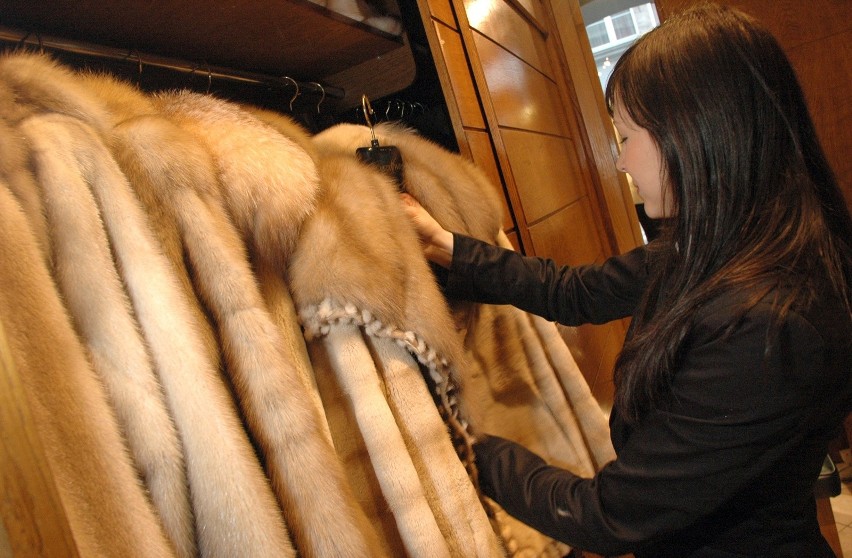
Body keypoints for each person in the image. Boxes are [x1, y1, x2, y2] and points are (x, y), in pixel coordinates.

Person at [400, 3, 852, 556]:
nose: (621, 161)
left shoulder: (768, 323)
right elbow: (575, 291)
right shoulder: (714, 243)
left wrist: (471, 447)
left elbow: (611, 515)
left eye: (628, 136)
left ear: (698, 135)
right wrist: (444, 246)